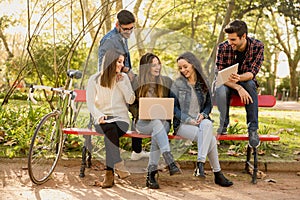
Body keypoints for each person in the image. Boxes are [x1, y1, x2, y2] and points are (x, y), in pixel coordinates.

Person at [170, 52, 233, 187]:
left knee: (207, 123)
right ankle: (216, 173)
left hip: (201, 122)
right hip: (182, 124)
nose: (183, 70)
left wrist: (203, 114)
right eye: (180, 68)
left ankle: (201, 164)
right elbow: (174, 109)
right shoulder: (177, 84)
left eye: (185, 66)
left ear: (193, 64)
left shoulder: (204, 82)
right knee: (209, 138)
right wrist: (188, 119)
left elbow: (208, 105)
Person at [97, 9, 149, 160]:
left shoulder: (123, 36)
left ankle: (137, 151)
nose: (129, 32)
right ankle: (134, 152)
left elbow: (122, 60)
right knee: (136, 108)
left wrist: (128, 72)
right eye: (126, 29)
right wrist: (124, 72)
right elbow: (104, 66)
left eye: (131, 28)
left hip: (124, 79)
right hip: (113, 84)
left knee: (139, 104)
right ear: (117, 25)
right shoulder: (109, 40)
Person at [130, 53, 181, 189]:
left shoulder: (166, 81)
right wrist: (140, 112)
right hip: (142, 123)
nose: (157, 67)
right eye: (153, 65)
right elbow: (131, 105)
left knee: (158, 127)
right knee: (157, 127)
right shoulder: (136, 82)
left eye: (158, 64)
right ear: (146, 67)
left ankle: (151, 175)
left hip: (162, 122)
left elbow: (174, 103)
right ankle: (168, 159)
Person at [86, 49, 135, 188]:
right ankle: (117, 164)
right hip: (102, 119)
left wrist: (121, 84)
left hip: (121, 120)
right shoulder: (94, 79)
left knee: (112, 129)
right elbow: (90, 103)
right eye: (119, 62)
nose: (121, 65)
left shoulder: (123, 78)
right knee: (110, 129)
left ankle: (109, 174)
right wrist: (99, 115)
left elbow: (131, 100)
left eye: (122, 62)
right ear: (110, 61)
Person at [215, 19, 264, 148]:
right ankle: (223, 125)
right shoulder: (223, 47)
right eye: (229, 39)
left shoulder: (257, 46)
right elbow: (220, 75)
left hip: (246, 82)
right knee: (221, 89)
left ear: (243, 36)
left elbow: (252, 73)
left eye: (233, 40)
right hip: (226, 84)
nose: (230, 43)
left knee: (250, 84)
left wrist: (240, 80)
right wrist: (238, 87)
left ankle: (253, 129)